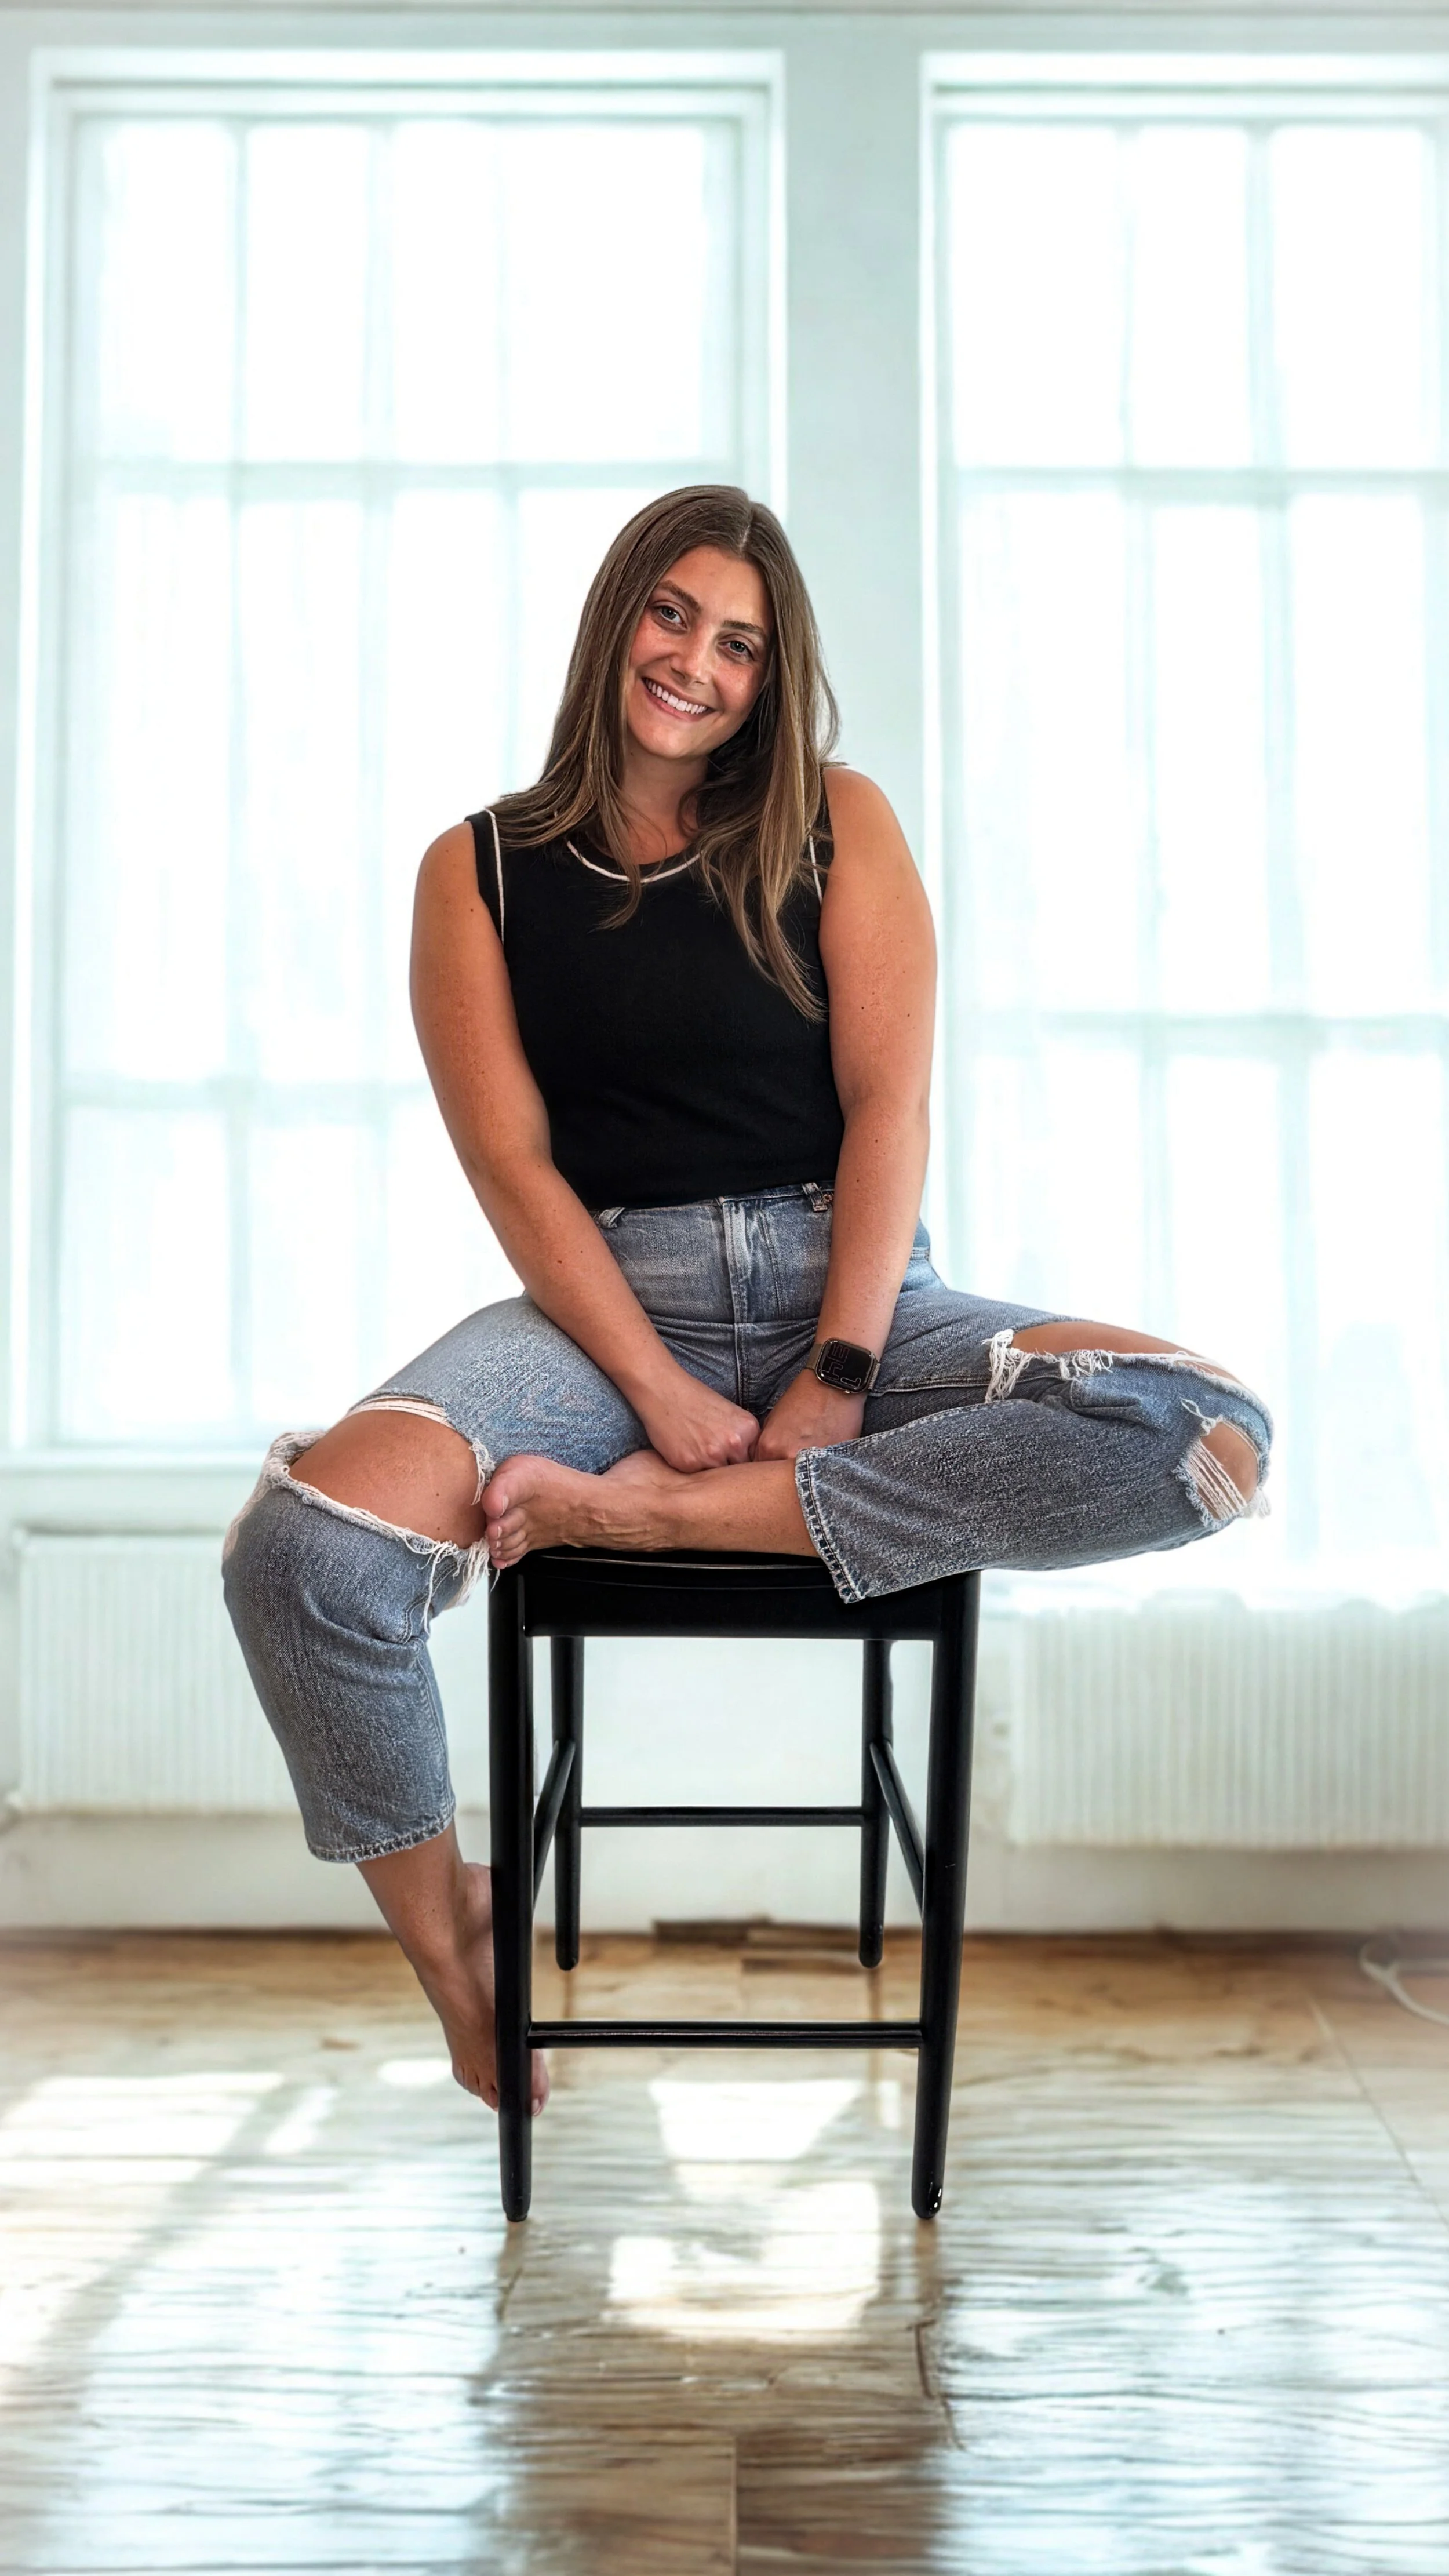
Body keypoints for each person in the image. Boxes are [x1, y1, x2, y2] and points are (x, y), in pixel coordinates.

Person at [223, 485, 1271, 2118]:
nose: (695, 664)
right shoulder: (477, 871)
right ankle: (456, 1951)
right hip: (600, 1311)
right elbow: (513, 1170)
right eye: (671, 614)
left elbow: (888, 1113)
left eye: (740, 643)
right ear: (615, 618)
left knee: (1199, 1436)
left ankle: (653, 1515)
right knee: (301, 1556)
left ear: (772, 676)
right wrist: (655, 1390)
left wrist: (831, 1376)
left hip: (849, 1282)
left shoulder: (837, 821)